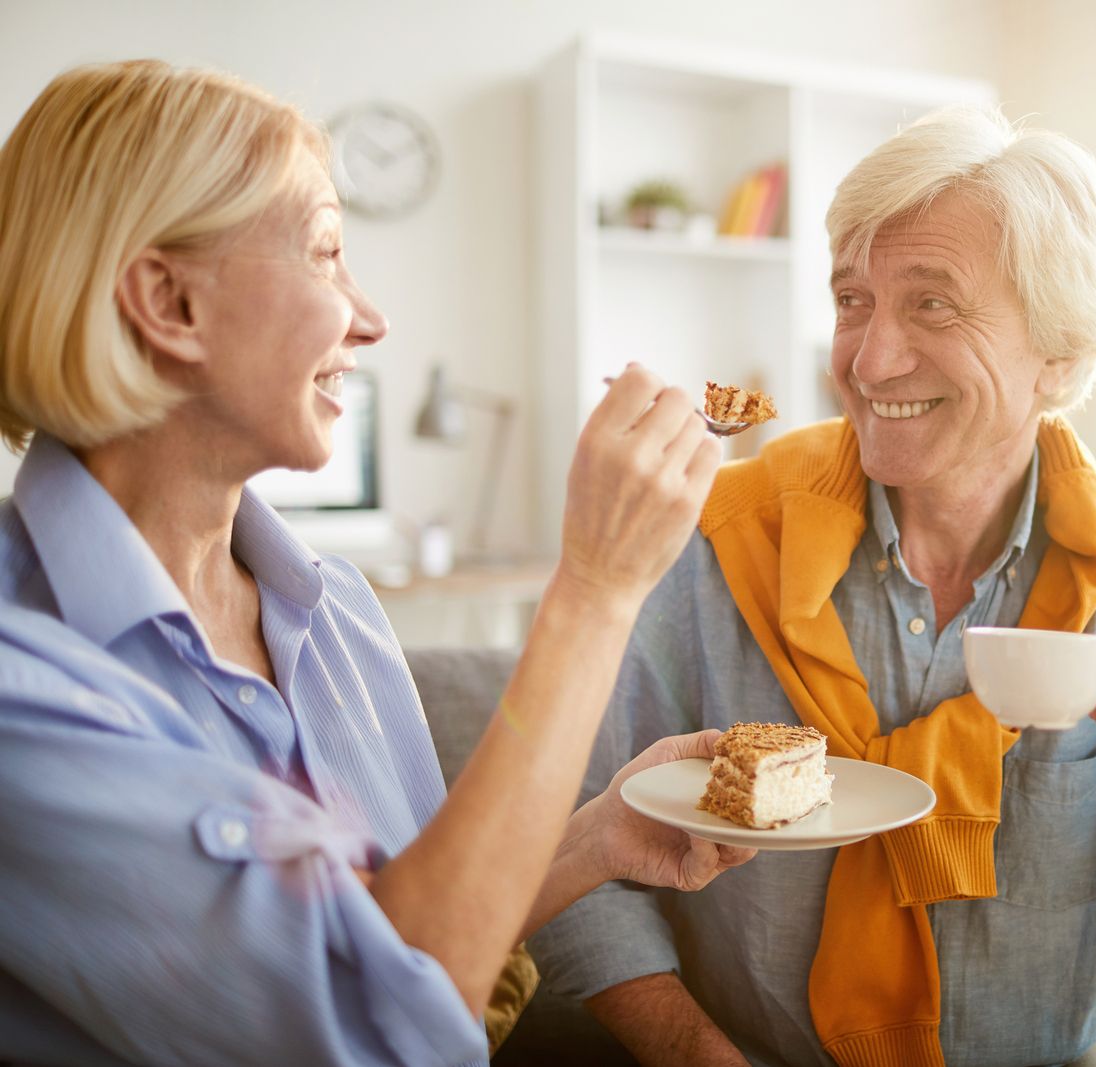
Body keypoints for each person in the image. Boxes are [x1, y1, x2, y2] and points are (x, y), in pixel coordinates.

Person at [531, 106, 1096, 1067]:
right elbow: (573, 866)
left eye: (932, 303)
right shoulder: (710, 546)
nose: (867, 361)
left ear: (1060, 356)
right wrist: (697, 1054)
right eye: (852, 298)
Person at [0, 60, 753, 1066]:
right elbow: (373, 1025)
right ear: (168, 301)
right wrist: (594, 590)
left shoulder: (335, 610)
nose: (369, 316)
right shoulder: (26, 684)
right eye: (325, 254)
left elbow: (409, 927)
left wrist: (597, 836)